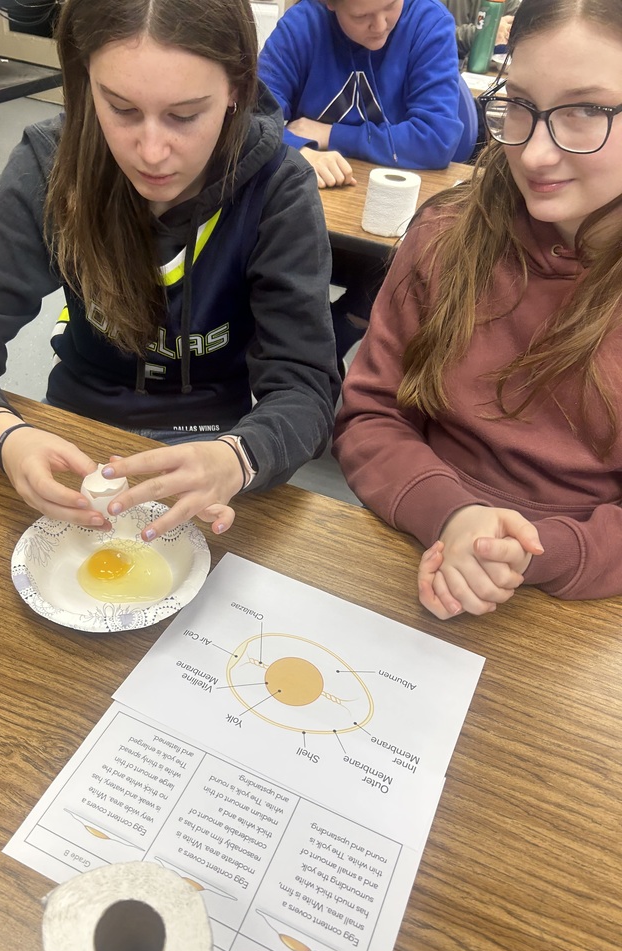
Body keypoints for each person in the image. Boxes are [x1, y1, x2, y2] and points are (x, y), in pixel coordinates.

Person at [0, 0, 339, 542]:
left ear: (237, 89)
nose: (152, 152)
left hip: (216, 447)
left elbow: (305, 387)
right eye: (121, 108)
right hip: (80, 435)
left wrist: (239, 457)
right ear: (85, 81)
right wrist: (5, 438)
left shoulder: (279, 187)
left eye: (185, 116)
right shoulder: (51, 164)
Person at [333, 0, 622, 617]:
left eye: (584, 112)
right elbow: (370, 415)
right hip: (415, 543)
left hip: (585, 607)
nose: (537, 154)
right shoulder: (447, 233)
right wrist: (453, 514)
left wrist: (537, 552)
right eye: (518, 105)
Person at [257, 0, 475, 191]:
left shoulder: (429, 23)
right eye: (361, 16)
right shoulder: (302, 25)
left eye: (391, 5)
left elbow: (437, 139)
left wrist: (330, 135)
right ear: (329, 3)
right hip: (313, 197)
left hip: (398, 195)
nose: (380, 26)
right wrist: (297, 151)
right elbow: (249, 118)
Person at [442, 0, 520, 64]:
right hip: (444, 66)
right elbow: (437, 35)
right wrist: (486, 32)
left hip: (486, 71)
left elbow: (520, 26)